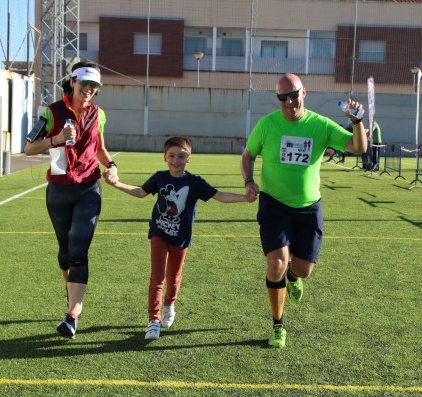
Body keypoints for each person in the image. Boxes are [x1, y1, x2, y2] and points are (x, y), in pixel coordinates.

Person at [240, 73, 367, 348]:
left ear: (303, 93)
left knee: (303, 269)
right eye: (282, 97)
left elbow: (358, 147)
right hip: (274, 203)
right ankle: (278, 325)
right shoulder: (267, 125)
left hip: (308, 207)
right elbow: (248, 154)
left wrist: (357, 122)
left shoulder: (321, 125)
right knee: (276, 264)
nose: (289, 102)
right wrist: (249, 181)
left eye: (293, 95)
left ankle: (295, 278)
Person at [111, 136, 254, 340]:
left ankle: (169, 304)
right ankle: (153, 321)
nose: (175, 160)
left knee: (173, 279)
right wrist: (117, 184)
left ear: (189, 158)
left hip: (181, 237)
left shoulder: (194, 182)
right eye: (171, 156)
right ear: (164, 157)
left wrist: (244, 198)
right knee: (157, 277)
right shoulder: (159, 178)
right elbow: (141, 192)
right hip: (159, 233)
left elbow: (219, 195)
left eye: (181, 156)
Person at [24, 61, 118, 339]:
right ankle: (71, 294)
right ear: (72, 82)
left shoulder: (99, 115)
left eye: (94, 86)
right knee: (65, 252)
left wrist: (110, 164)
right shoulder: (51, 112)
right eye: (85, 83)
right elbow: (29, 148)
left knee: (79, 250)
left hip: (89, 187)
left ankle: (72, 315)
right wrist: (55, 139)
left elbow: (99, 148)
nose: (89, 89)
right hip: (59, 190)